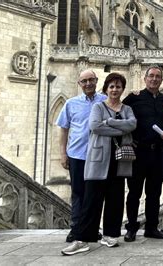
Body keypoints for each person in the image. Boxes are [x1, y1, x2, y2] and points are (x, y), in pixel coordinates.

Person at [61, 73, 136, 255]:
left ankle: (110, 234)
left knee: (115, 197)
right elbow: (95, 127)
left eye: (118, 86)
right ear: (106, 89)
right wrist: (119, 126)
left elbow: (132, 125)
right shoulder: (98, 106)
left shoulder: (126, 109)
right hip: (98, 158)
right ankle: (82, 239)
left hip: (118, 159)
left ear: (122, 89)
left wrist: (109, 122)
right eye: (111, 86)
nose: (115, 89)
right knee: (91, 199)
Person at [122, 65, 163, 241]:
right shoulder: (133, 98)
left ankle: (152, 227)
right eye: (151, 76)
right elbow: (120, 115)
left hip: (157, 152)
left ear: (161, 80)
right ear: (145, 79)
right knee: (134, 193)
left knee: (154, 193)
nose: (154, 79)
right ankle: (131, 228)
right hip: (138, 153)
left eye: (157, 77)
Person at [56, 69, 107, 242]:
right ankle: (76, 230)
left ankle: (92, 230)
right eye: (84, 81)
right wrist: (63, 154)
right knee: (78, 193)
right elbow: (64, 130)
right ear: (79, 83)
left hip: (98, 156)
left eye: (91, 80)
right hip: (77, 155)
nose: (87, 84)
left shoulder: (105, 101)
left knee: (95, 195)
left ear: (97, 81)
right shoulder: (71, 103)